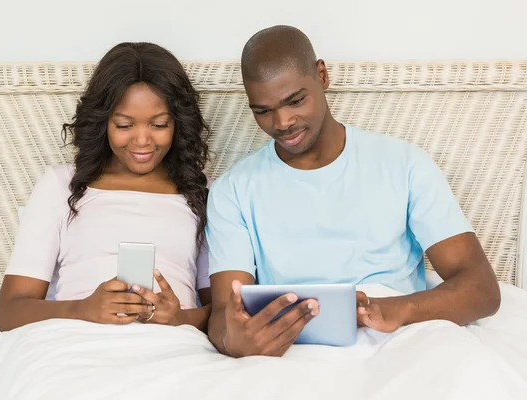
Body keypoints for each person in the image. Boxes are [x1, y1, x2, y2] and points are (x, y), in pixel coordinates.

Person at [205, 25, 501, 357]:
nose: (283, 121)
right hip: (295, 349)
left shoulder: (402, 164)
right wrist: (236, 341)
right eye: (263, 110)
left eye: (296, 100)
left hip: (400, 340)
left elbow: (481, 288)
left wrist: (397, 309)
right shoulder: (232, 190)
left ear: (322, 75)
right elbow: (221, 314)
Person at [0, 42, 212, 332]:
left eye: (159, 125)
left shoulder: (202, 193)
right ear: (103, 123)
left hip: (171, 347)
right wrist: (82, 309)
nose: (142, 141)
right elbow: (10, 312)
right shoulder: (62, 186)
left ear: (178, 124)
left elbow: (224, 313)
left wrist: (180, 318)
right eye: (124, 126)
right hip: (75, 344)